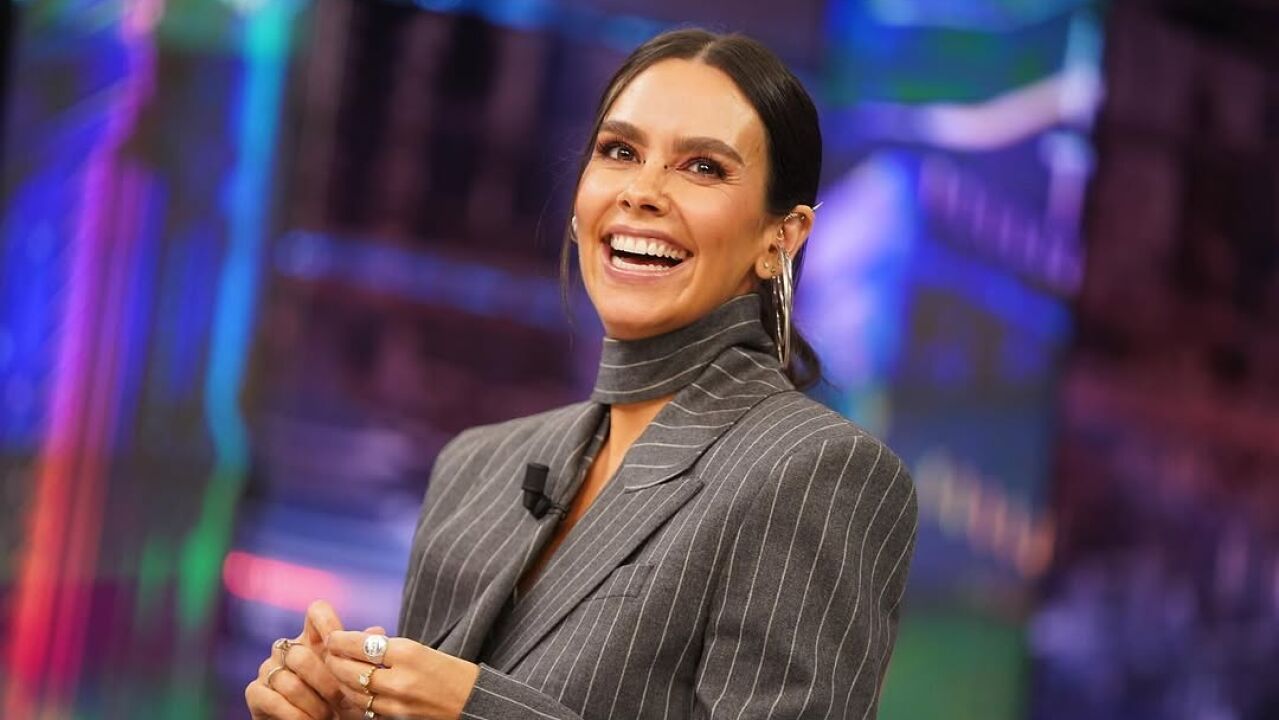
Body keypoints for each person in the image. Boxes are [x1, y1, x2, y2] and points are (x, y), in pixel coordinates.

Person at [246, 27, 917, 720]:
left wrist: (475, 707)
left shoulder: (818, 472)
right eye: (620, 152)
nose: (642, 192)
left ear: (781, 238)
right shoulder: (475, 468)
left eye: (702, 167)